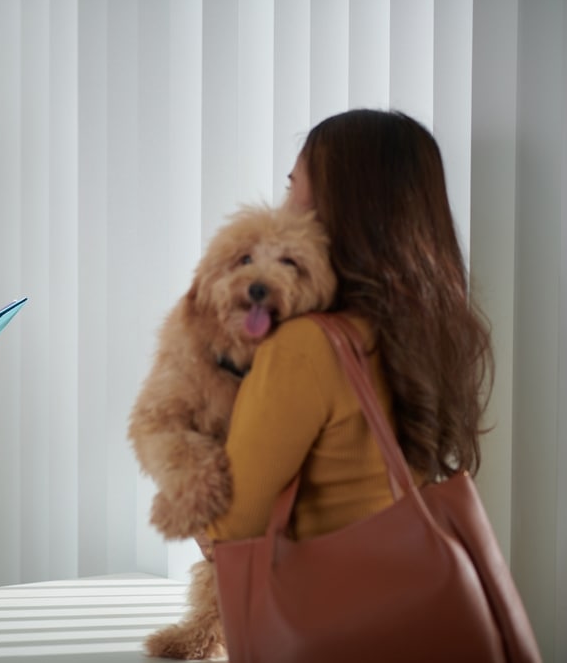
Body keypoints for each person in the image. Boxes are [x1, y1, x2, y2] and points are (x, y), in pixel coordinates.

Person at [205, 108, 493, 545]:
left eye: (291, 187)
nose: (280, 211)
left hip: (321, 607)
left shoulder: (308, 345)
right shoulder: (422, 331)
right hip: (396, 597)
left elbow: (229, 526)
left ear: (340, 208)